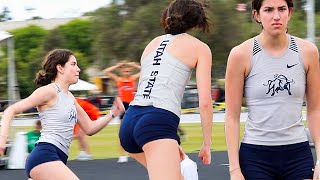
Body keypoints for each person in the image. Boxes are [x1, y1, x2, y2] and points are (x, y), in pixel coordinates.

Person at [225, 0, 320, 179]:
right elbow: (231, 116)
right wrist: (234, 169)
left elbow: (315, 110)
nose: (276, 16)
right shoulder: (240, 54)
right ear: (256, 15)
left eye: (281, 9)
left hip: (297, 154)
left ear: (290, 13)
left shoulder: (308, 52)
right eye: (268, 10)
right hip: (255, 156)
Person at [119, 0, 213, 179]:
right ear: (197, 21)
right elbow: (206, 102)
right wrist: (207, 143)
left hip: (129, 122)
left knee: (180, 173)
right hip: (157, 121)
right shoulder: (200, 48)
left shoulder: (152, 44)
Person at [0, 49, 125, 180]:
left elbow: (89, 128)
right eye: (73, 64)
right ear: (60, 68)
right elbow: (11, 110)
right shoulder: (49, 91)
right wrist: (2, 139)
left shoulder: (70, 97)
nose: (78, 69)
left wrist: (112, 113)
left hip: (59, 157)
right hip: (45, 155)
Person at [103, 61, 140, 163]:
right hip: (123, 106)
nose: (127, 73)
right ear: (121, 72)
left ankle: (136, 153)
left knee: (135, 131)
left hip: (132, 105)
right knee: (122, 131)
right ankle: (122, 155)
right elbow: (106, 71)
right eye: (125, 71)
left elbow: (144, 70)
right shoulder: (119, 80)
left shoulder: (133, 79)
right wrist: (117, 65)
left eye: (129, 71)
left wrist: (133, 65)